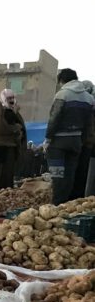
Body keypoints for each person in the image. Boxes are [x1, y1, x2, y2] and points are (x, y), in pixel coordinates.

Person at [45, 68, 95, 204]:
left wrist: (48, 138)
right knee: (70, 175)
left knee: (57, 176)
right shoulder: (89, 99)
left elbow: (54, 118)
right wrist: (82, 141)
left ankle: (56, 206)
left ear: (62, 80)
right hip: (76, 142)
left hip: (59, 143)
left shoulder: (62, 94)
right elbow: (89, 125)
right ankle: (67, 205)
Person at [70, 79, 95, 199]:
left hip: (84, 144)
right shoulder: (88, 105)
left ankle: (77, 197)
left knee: (81, 173)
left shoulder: (88, 105)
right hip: (84, 144)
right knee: (82, 174)